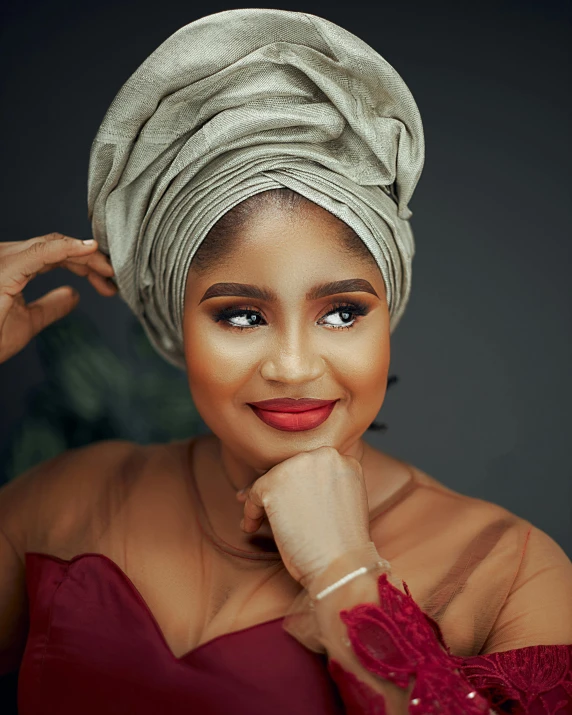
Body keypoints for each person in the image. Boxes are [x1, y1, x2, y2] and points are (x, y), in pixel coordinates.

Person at [0, 9, 571, 715]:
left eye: (342, 312)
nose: (295, 366)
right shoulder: (56, 502)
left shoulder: (508, 567)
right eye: (241, 314)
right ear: (174, 321)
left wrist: (342, 570)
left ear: (387, 314)